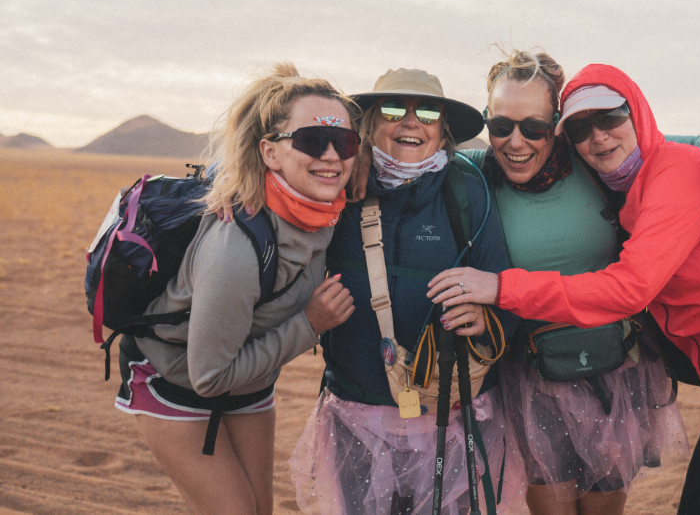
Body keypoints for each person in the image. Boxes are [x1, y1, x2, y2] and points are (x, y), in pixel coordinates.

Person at [428, 63, 700, 515]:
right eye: (581, 128)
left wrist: (502, 288)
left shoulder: (677, 174)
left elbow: (630, 290)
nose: (599, 137)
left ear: (637, 114)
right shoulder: (627, 180)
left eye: (611, 118)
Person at [455, 49, 700, 515]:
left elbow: (681, 145)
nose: (516, 142)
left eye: (534, 128)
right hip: (532, 375)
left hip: (616, 368)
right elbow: (419, 165)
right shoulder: (479, 173)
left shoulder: (596, 162)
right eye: (500, 125)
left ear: (557, 125)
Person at [114, 63, 358, 515]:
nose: (331, 156)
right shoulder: (234, 249)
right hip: (175, 380)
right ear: (270, 153)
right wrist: (310, 324)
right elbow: (209, 377)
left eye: (344, 142)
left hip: (250, 382)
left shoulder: (326, 210)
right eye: (311, 140)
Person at [288, 68, 521, 515]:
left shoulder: (468, 190)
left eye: (428, 112)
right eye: (394, 109)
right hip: (356, 417)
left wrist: (487, 318)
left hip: (452, 421)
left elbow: (505, 290)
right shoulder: (336, 181)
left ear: (443, 130)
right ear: (370, 123)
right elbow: (266, 170)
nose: (411, 121)